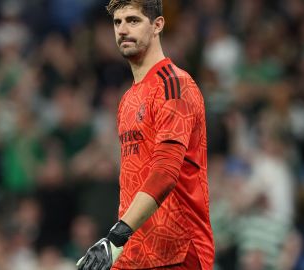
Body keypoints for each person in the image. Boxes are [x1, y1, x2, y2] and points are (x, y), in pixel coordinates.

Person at [77, 0, 214, 269]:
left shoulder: (174, 84)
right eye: (118, 22)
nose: (123, 29)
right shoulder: (127, 99)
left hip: (178, 250)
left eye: (133, 20)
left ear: (158, 25)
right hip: (133, 252)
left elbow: (165, 172)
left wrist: (116, 236)